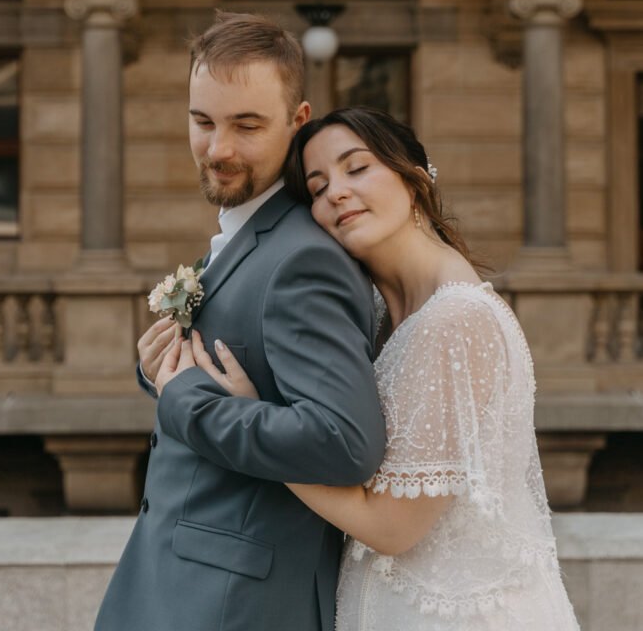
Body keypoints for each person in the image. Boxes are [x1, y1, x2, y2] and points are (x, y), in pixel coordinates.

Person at [191, 107, 581, 631]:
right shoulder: (379, 317)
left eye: (357, 168)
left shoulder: (456, 320)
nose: (336, 193)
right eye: (318, 186)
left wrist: (255, 423)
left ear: (414, 179)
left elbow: (393, 528)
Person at [93, 15, 385, 631]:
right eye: (203, 122)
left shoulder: (303, 258)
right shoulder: (249, 236)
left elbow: (344, 443)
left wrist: (185, 400)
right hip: (176, 585)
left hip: (234, 608)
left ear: (298, 121)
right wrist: (161, 372)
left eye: (246, 126)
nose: (218, 149)